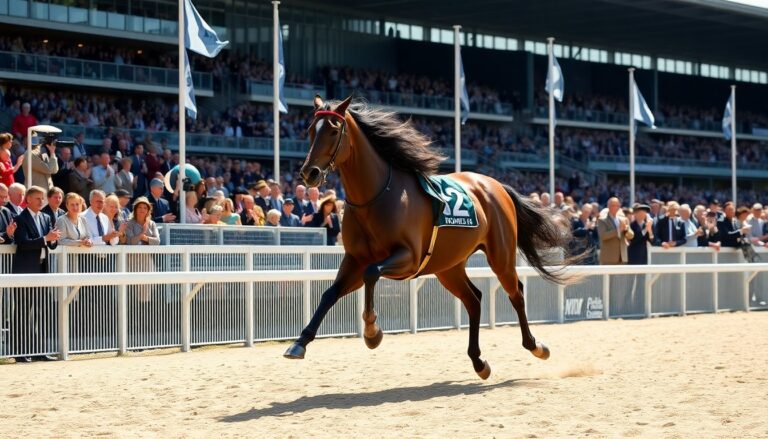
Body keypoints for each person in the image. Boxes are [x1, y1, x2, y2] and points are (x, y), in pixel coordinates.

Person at [11, 185, 60, 362]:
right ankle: (19, 352)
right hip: (24, 270)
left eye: (43, 198)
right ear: (28, 200)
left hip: (42, 269)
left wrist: (53, 240)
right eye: (38, 198)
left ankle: (39, 350)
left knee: (41, 311)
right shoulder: (19, 218)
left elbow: (51, 244)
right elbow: (22, 243)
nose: (41, 201)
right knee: (23, 312)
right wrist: (46, 239)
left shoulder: (46, 217)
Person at [596, 197, 634, 264]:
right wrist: (618, 230)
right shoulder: (602, 220)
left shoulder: (623, 220)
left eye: (617, 205)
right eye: (613, 205)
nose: (615, 207)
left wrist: (626, 229)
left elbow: (631, 236)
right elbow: (603, 236)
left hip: (622, 257)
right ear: (608, 207)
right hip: (609, 257)